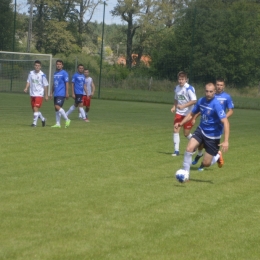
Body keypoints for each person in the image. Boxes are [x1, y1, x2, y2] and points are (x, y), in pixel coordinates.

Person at [175, 83, 230, 180]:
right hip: (201, 130)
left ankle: (217, 156)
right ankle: (186, 175)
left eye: (211, 91)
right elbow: (191, 114)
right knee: (189, 149)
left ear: (214, 92)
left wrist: (226, 141)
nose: (208, 93)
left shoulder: (217, 105)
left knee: (206, 163)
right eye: (207, 91)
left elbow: (225, 122)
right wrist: (181, 123)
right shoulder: (201, 101)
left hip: (213, 136)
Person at [192, 78, 234, 170]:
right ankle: (200, 156)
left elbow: (231, 111)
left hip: (216, 126)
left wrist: (223, 118)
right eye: (218, 84)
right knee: (199, 144)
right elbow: (202, 108)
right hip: (205, 124)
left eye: (221, 85)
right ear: (215, 86)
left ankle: (204, 163)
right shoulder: (209, 96)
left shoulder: (226, 97)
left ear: (224, 86)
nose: (219, 86)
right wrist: (194, 117)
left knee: (208, 146)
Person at [170, 71, 197, 156]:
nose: (180, 81)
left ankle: (195, 145)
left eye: (182, 79)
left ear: (186, 80)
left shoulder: (189, 88)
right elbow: (176, 99)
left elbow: (194, 101)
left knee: (186, 134)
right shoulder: (176, 88)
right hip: (179, 113)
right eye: (179, 79)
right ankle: (176, 151)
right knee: (175, 130)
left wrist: (184, 106)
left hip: (189, 114)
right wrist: (174, 106)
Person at [24, 60, 48, 127]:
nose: (37, 67)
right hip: (32, 94)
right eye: (36, 65)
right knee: (35, 110)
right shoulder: (31, 73)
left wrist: (46, 95)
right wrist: (26, 88)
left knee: (35, 108)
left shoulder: (42, 75)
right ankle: (43, 119)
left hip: (39, 94)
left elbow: (45, 85)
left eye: (38, 66)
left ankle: (34, 123)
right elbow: (28, 81)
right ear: (34, 66)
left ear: (40, 67)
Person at [50, 60, 71, 128]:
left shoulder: (64, 73)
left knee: (57, 106)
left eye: (60, 64)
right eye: (57, 64)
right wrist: (51, 92)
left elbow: (67, 83)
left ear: (62, 65)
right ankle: (58, 123)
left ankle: (67, 119)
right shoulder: (55, 73)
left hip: (61, 93)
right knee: (56, 109)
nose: (58, 65)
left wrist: (67, 92)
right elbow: (54, 83)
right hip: (56, 93)